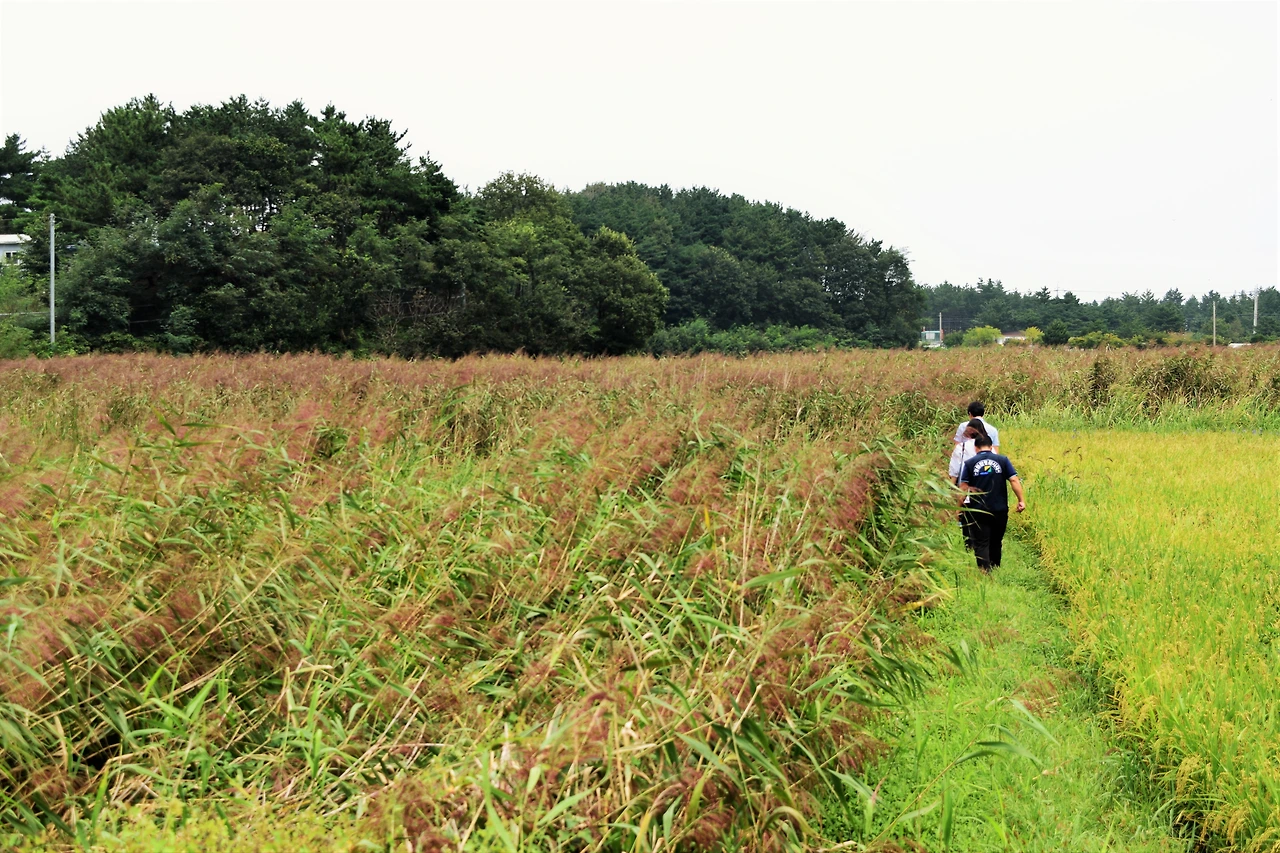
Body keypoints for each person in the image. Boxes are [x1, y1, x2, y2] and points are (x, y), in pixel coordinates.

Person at [958, 432, 1025, 572]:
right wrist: (1021, 500)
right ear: (991, 446)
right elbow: (1013, 480)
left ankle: (985, 572)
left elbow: (963, 488)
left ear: (976, 447)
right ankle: (995, 568)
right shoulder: (1003, 460)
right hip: (999, 508)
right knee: (996, 540)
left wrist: (959, 508)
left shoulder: (970, 464)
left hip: (978, 509)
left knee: (981, 542)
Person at [948, 418, 988, 550]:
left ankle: (969, 546)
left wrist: (951, 490)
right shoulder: (989, 448)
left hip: (966, 488)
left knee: (967, 518)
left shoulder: (961, 447)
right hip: (985, 489)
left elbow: (954, 471)